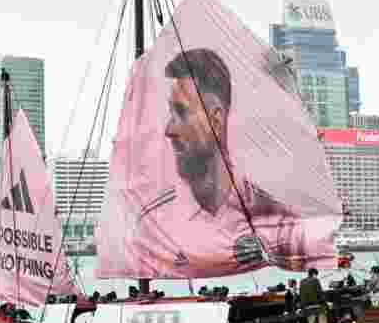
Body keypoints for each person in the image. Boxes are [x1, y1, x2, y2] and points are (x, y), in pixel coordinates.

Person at [123, 49, 318, 276]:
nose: (168, 130)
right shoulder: (150, 222)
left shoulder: (280, 219)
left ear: (216, 119)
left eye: (181, 112)